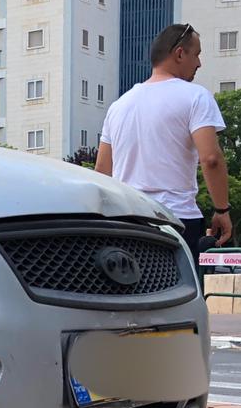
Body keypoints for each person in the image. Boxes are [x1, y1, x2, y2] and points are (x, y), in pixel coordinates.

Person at [95, 23, 232, 257]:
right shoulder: (195, 96)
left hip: (128, 220)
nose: (199, 63)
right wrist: (222, 209)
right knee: (175, 293)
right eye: (196, 54)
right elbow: (210, 159)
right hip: (176, 219)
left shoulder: (118, 106)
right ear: (180, 53)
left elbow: (101, 171)